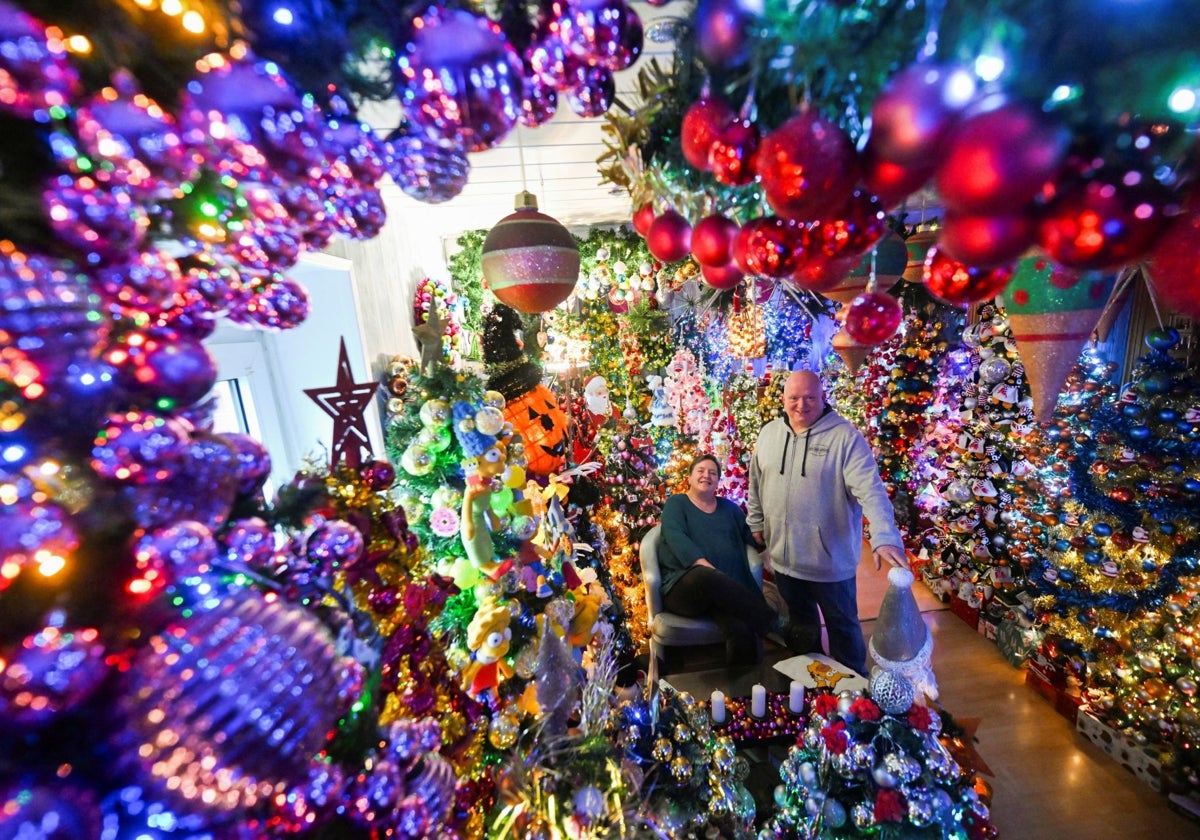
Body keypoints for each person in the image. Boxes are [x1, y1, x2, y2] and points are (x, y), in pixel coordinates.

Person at [747, 370, 907, 674]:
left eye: (810, 397)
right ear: (783, 399)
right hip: (785, 561)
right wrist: (756, 522)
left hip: (829, 565)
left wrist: (884, 535)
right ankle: (813, 691)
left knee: (843, 631)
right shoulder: (769, 434)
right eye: (794, 397)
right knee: (803, 632)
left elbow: (870, 490)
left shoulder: (845, 438)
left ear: (823, 397)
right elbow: (756, 482)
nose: (801, 404)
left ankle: (855, 699)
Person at [658, 454, 819, 666]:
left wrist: (769, 549)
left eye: (713, 473)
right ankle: (778, 625)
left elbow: (751, 537)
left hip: (723, 593)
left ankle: (743, 689)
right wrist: (707, 569)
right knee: (705, 577)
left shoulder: (730, 509)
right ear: (689, 477)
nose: (707, 475)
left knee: (740, 629)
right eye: (701, 471)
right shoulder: (677, 504)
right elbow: (675, 536)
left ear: (717, 481)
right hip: (684, 589)